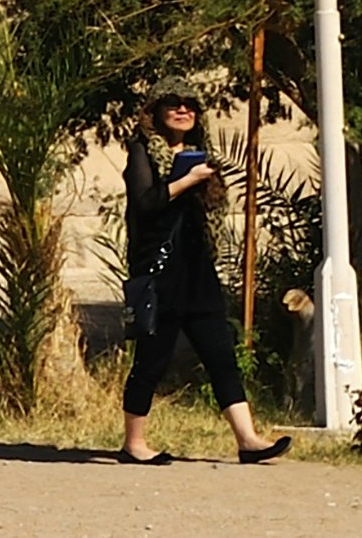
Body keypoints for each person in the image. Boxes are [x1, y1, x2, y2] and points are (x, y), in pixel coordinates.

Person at [116, 94, 288, 467]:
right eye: (174, 105)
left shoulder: (201, 154)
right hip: (159, 272)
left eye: (190, 106)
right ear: (156, 113)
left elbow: (210, 209)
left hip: (197, 271)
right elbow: (144, 204)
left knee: (221, 356)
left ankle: (247, 440)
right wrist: (185, 180)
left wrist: (205, 181)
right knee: (151, 360)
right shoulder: (142, 152)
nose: (183, 111)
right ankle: (134, 443)